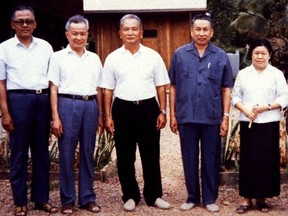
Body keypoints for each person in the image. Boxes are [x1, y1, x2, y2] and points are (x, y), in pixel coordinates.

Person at [100, 14, 171, 212]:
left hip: (148, 108)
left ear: (141, 32)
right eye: (126, 29)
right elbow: (107, 89)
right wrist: (108, 116)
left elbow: (160, 86)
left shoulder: (153, 56)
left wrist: (162, 111)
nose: (130, 32)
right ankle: (130, 195)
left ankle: (154, 195)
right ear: (120, 33)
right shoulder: (113, 58)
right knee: (125, 156)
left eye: (134, 29)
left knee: (151, 154)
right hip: (122, 109)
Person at [168, 13, 233, 213]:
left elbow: (226, 89)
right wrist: (172, 114)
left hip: (211, 116)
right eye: (198, 29)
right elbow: (173, 86)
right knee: (189, 157)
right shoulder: (180, 54)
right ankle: (192, 197)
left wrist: (225, 117)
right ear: (192, 31)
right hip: (186, 116)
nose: (202, 33)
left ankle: (210, 198)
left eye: (206, 29)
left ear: (211, 32)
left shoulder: (221, 56)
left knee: (211, 158)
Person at [0, 5, 58, 216]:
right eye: (20, 21)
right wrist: (5, 112)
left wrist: (53, 113)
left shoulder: (45, 47)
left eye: (29, 21)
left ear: (35, 24)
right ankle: (20, 201)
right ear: (12, 24)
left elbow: (53, 82)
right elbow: (1, 83)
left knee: (42, 152)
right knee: (19, 153)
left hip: (41, 100)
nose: (24, 25)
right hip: (18, 101)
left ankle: (41, 199)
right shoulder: (4, 48)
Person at [48, 15, 103, 214]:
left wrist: (100, 114)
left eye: (82, 33)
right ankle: (68, 200)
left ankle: (87, 198)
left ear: (87, 35)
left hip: (90, 106)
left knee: (88, 153)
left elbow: (98, 87)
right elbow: (53, 88)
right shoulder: (57, 57)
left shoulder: (94, 58)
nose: (78, 37)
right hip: (67, 105)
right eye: (75, 34)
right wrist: (55, 116)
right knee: (67, 154)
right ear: (67, 35)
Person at [232, 38, 288, 214]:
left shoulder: (276, 74)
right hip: (248, 122)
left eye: (263, 53)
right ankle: (246, 199)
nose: (260, 56)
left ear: (269, 55)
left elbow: (284, 97)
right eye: (256, 53)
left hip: (269, 122)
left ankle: (262, 198)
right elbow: (235, 97)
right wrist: (246, 110)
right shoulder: (243, 74)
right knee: (248, 160)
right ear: (251, 55)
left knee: (265, 161)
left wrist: (268, 107)